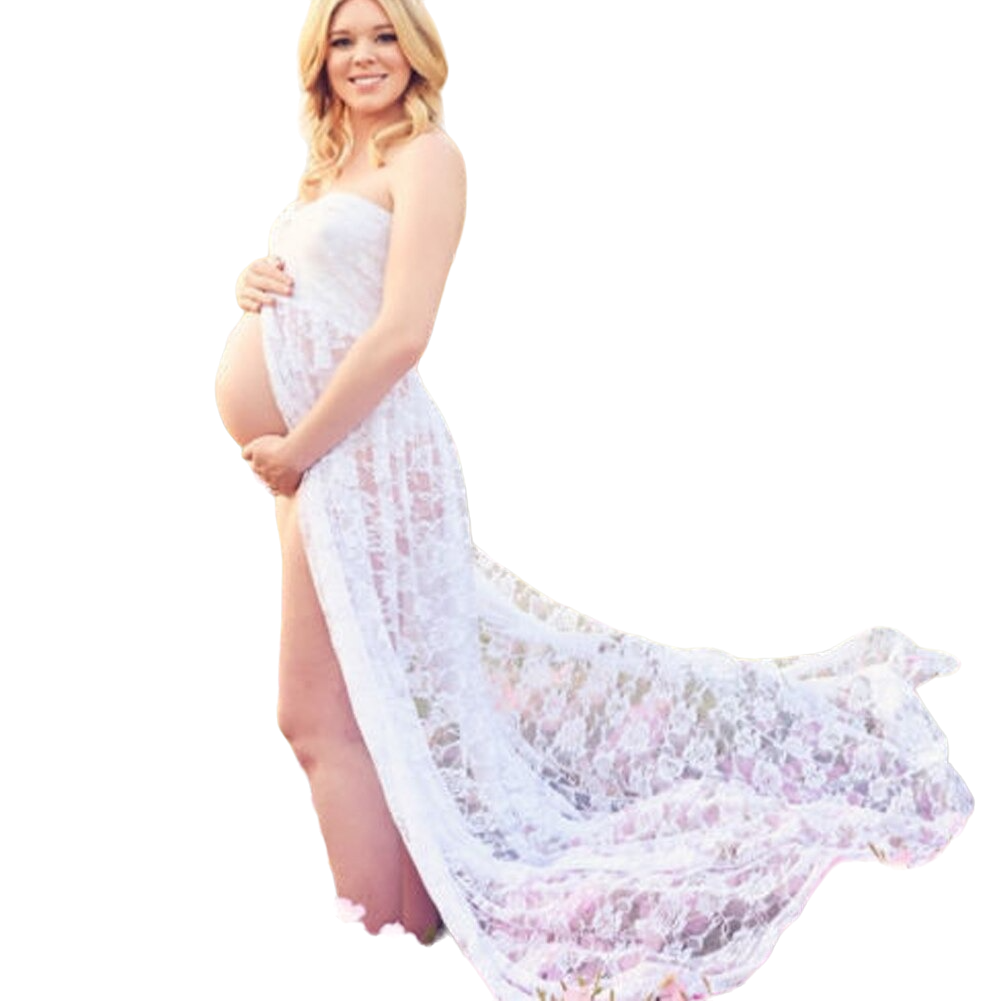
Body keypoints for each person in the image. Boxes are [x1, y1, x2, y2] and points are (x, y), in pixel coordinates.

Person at [215, 2, 975, 1000]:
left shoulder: (426, 157)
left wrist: (300, 446)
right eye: (344, 40)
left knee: (315, 716)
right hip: (317, 461)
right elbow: (329, 293)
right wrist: (253, 280)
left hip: (357, 458)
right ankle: (401, 933)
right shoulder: (329, 165)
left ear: (417, 49)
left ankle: (370, 954)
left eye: (384, 34)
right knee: (362, 708)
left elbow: (402, 332)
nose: (364, 56)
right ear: (319, 59)